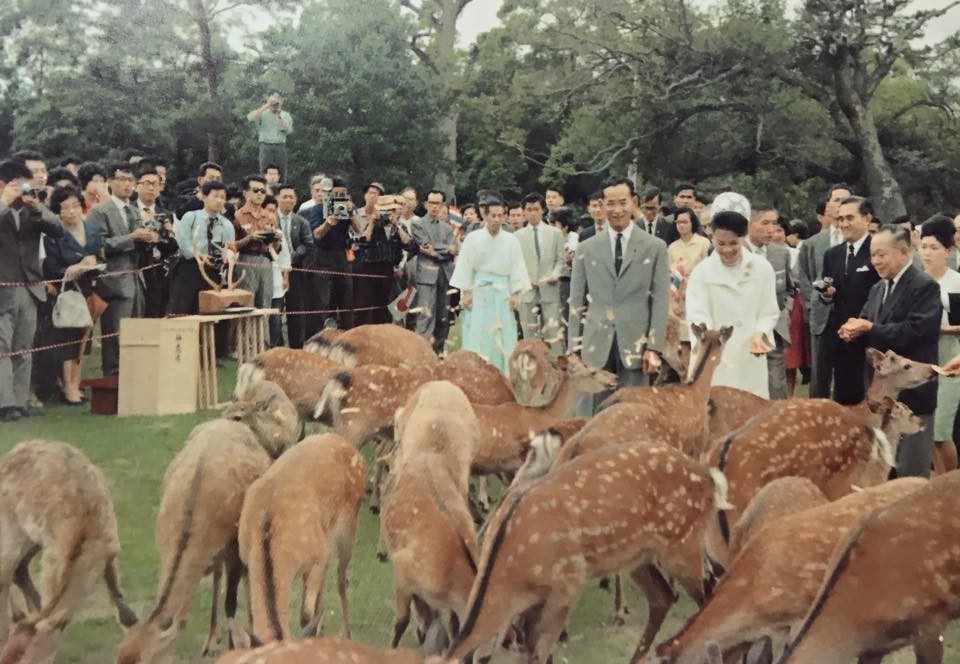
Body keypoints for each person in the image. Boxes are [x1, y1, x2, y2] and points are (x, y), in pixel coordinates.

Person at [839, 225, 941, 478]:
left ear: (904, 253)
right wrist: (852, 331)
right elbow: (866, 322)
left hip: (912, 394)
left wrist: (871, 327)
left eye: (881, 255)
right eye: (873, 255)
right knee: (880, 472)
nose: (875, 261)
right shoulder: (878, 288)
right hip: (880, 399)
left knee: (911, 474)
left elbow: (914, 332)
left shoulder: (924, 286)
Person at [568, 177, 671, 414]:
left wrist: (654, 347)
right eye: (610, 204)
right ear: (602, 205)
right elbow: (576, 300)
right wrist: (574, 348)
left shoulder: (655, 247)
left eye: (622, 203)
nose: (616, 210)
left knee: (633, 412)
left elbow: (660, 300)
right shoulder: (586, 248)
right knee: (590, 413)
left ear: (633, 202)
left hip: (636, 342)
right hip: (595, 344)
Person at [685, 210, 779, 398]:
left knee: (751, 412)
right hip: (715, 357)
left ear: (743, 239)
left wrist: (760, 334)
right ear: (712, 238)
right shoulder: (702, 273)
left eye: (733, 244)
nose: (727, 250)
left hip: (749, 356)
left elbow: (768, 311)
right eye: (721, 244)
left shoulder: (762, 268)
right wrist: (712, 340)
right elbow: (697, 315)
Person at [0, 160, 64, 421]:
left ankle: (20, 399)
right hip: (3, 286)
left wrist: (38, 207)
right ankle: (5, 403)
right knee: (3, 346)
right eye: (16, 184)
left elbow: (58, 229)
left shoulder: (32, 210)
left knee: (24, 347)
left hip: (30, 286)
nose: (22, 190)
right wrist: (4, 202)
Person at [87, 162, 156, 376]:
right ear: (109, 182)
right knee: (115, 333)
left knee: (135, 331)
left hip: (136, 279)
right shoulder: (100, 211)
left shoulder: (134, 211)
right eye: (122, 179)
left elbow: (140, 243)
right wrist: (131, 238)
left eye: (130, 180)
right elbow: (98, 246)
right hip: (114, 281)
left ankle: (133, 377)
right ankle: (113, 377)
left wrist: (150, 239)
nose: (127, 185)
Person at [450, 199, 530, 372]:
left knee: (503, 332)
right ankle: (476, 372)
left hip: (503, 293)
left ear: (504, 217)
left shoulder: (511, 240)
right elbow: (465, 266)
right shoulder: (472, 238)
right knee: (479, 331)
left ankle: (504, 373)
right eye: (493, 215)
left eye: (500, 215)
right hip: (480, 292)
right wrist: (466, 292)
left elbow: (517, 267)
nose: (496, 219)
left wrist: (516, 294)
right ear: (485, 215)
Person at [41, 186, 103, 404]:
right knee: (67, 340)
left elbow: (98, 253)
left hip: (89, 289)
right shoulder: (53, 235)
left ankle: (77, 383)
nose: (71, 212)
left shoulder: (91, 229)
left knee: (84, 340)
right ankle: (68, 388)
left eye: (75, 206)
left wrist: (92, 262)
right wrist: (72, 269)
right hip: (66, 293)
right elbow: (50, 266)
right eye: (65, 208)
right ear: (58, 212)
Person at [820, 195, 880, 405]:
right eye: (840, 219)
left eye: (849, 218)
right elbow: (830, 293)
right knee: (844, 399)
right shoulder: (832, 255)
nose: (844, 224)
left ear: (867, 218)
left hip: (871, 338)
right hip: (841, 337)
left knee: (872, 400)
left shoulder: (878, 251)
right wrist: (827, 294)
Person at [917, 216, 960, 474]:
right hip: (922, 358)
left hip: (951, 356)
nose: (927, 253)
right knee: (926, 428)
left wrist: (939, 328)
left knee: (941, 430)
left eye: (933, 247)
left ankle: (950, 483)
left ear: (948, 251)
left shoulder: (956, 283)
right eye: (923, 246)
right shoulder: (916, 282)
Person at [799, 185, 851, 398]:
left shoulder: (860, 240)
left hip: (851, 315)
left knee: (849, 373)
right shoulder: (813, 244)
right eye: (836, 200)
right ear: (828, 206)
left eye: (846, 201)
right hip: (821, 316)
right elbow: (805, 279)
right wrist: (814, 307)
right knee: (820, 374)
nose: (840, 205)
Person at [302, 176, 361, 332]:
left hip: (342, 256)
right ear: (329, 194)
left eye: (342, 195)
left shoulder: (349, 209)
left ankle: (347, 336)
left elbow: (359, 229)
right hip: (323, 256)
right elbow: (317, 234)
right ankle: (321, 336)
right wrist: (328, 223)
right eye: (336, 194)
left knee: (347, 299)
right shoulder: (317, 209)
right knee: (323, 301)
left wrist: (352, 212)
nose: (339, 198)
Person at [168, 181, 236, 316]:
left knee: (211, 312)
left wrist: (228, 255)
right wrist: (198, 255)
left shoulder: (227, 224)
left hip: (214, 273)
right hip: (190, 269)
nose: (219, 200)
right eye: (215, 196)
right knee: (183, 311)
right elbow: (183, 243)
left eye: (223, 197)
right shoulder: (191, 217)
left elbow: (231, 247)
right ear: (204, 197)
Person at [354, 193, 415, 325]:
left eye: (396, 210)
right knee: (365, 307)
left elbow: (410, 245)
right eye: (390, 210)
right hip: (369, 270)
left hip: (388, 271)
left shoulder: (400, 228)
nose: (393, 213)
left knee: (385, 309)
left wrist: (397, 226)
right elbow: (363, 241)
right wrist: (372, 222)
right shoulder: (373, 225)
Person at [515, 193, 565, 354]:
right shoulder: (517, 237)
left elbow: (560, 259)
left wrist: (555, 274)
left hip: (549, 288)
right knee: (529, 334)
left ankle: (557, 367)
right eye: (529, 210)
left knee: (553, 332)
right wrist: (526, 279)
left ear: (543, 210)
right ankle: (533, 369)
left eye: (536, 209)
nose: (533, 213)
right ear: (524, 212)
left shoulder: (555, 233)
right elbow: (514, 265)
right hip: (527, 290)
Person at [410, 189, 459, 353]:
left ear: (442, 205)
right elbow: (425, 247)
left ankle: (439, 352)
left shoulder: (447, 227)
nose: (434, 207)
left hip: (445, 276)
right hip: (427, 276)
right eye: (431, 203)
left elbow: (454, 249)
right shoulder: (418, 224)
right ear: (425, 204)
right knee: (425, 316)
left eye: (438, 203)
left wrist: (437, 250)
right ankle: (421, 353)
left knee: (443, 317)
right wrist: (445, 250)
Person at [667, 207, 711, 364]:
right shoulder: (672, 247)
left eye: (685, 222)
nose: (681, 225)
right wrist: (674, 301)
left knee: (699, 337)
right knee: (683, 339)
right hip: (678, 295)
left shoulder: (703, 243)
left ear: (692, 222)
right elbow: (670, 275)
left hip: (698, 294)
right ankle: (685, 377)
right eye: (678, 222)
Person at [233, 175, 281, 310]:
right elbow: (231, 246)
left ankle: (263, 332)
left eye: (263, 191)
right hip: (245, 259)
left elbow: (275, 249)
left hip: (265, 260)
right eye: (255, 190)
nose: (259, 194)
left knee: (265, 304)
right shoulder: (238, 215)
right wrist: (249, 238)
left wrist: (277, 239)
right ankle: (246, 332)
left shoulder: (270, 216)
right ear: (245, 193)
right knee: (247, 304)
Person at [275, 183, 314, 348]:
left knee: (296, 309)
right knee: (276, 309)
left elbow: (308, 243)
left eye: (292, 197)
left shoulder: (301, 221)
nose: (289, 200)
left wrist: (294, 256)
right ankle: (277, 344)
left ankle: (297, 345)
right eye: (285, 196)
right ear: (277, 198)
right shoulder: (270, 218)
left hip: (295, 269)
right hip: (275, 269)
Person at [247, 90, 293, 177]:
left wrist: (279, 116)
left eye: (278, 99)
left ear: (282, 101)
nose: (275, 102)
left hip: (280, 146)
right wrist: (267, 105)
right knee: (264, 171)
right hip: (265, 146)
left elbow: (287, 130)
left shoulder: (286, 115)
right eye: (273, 98)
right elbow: (250, 117)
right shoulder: (263, 113)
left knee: (281, 172)